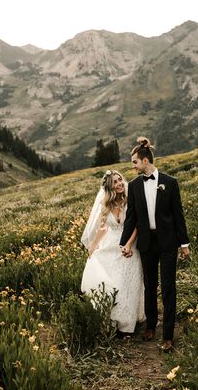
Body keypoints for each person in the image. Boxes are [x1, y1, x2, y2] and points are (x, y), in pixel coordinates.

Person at [120, 137, 189, 352]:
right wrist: (125, 244)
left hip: (168, 242)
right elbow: (131, 217)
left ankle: (168, 335)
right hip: (147, 243)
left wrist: (184, 244)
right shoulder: (133, 187)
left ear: (145, 161)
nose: (132, 167)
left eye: (134, 162)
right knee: (150, 285)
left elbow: (179, 215)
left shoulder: (170, 182)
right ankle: (150, 326)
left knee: (169, 288)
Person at [81, 169, 145, 335]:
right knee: (112, 283)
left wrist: (129, 245)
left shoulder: (130, 200)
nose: (118, 184)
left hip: (128, 246)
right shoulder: (106, 204)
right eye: (114, 183)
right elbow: (103, 228)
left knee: (128, 283)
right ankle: (110, 321)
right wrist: (93, 245)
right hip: (110, 246)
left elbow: (137, 225)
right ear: (109, 188)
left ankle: (126, 325)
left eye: (119, 180)